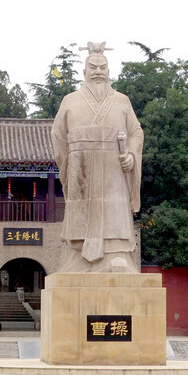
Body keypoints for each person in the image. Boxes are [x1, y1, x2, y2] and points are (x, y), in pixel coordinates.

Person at [51, 42, 143, 272]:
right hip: (81, 168)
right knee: (80, 219)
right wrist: (69, 164)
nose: (98, 72)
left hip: (114, 168)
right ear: (84, 71)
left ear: (109, 72)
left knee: (115, 213)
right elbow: (58, 136)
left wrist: (131, 154)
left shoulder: (122, 101)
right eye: (93, 67)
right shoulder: (70, 101)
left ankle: (118, 255)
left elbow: (135, 132)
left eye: (102, 67)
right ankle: (78, 259)